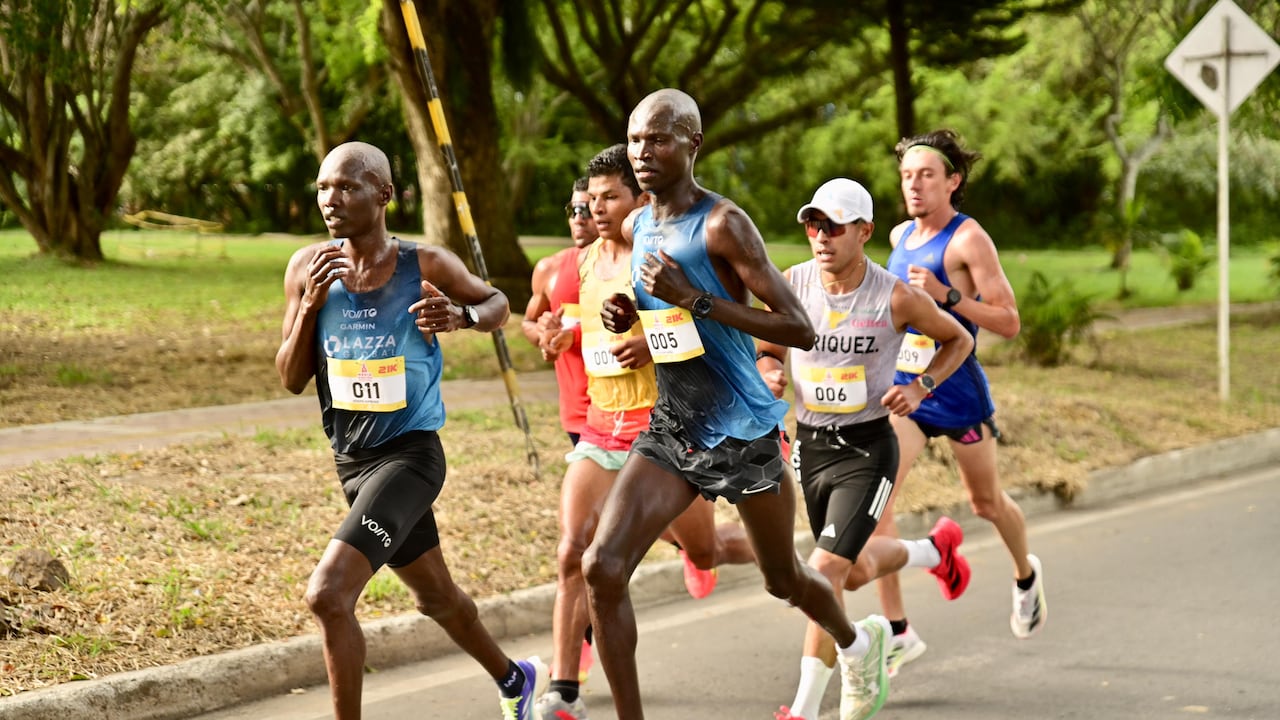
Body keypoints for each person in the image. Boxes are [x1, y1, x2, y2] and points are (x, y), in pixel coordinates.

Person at [580, 88, 868, 720]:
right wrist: (628, 310)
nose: (643, 152)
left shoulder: (723, 224)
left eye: (658, 138)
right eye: (635, 141)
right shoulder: (637, 223)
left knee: (782, 579)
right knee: (601, 567)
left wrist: (693, 298)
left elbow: (797, 327)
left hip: (743, 428)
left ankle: (855, 642)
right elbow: (655, 304)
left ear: (693, 143)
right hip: (674, 425)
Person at [275, 141, 540, 720]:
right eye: (323, 188)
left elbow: (498, 301)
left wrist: (461, 317)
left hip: (411, 458)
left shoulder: (427, 264)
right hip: (352, 463)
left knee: (328, 594)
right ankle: (514, 677)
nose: (331, 200)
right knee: (435, 598)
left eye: (347, 187)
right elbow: (291, 377)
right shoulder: (307, 268)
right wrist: (310, 307)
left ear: (384, 194)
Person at [534, 144, 756, 720]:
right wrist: (561, 338)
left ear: (639, 201)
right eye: (592, 198)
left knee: (706, 551)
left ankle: (786, 560)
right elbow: (580, 325)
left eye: (612, 197)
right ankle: (563, 690)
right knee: (572, 552)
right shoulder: (579, 264)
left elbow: (708, 330)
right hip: (602, 430)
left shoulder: (661, 255)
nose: (598, 208)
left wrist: (649, 341)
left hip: (664, 431)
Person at [757, 179, 975, 720]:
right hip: (810, 447)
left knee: (823, 571)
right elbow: (767, 349)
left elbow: (959, 339)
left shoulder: (894, 294)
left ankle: (806, 708)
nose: (820, 236)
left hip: (867, 448)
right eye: (813, 224)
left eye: (834, 226)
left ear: (865, 231)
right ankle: (933, 553)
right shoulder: (793, 284)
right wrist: (769, 374)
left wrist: (922, 386)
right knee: (847, 575)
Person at [874, 129, 1046, 676]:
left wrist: (948, 295)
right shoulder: (901, 233)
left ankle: (1026, 575)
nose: (914, 185)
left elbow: (1009, 323)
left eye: (926, 175)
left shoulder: (968, 240)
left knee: (986, 503)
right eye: (907, 176)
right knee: (878, 501)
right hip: (909, 390)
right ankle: (898, 631)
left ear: (953, 181)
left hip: (957, 389)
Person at [521, 177, 598, 447]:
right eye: (573, 210)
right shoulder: (549, 269)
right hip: (577, 413)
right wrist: (544, 335)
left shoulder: (629, 265)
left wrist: (573, 335)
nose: (578, 219)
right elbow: (529, 323)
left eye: (586, 210)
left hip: (631, 410)